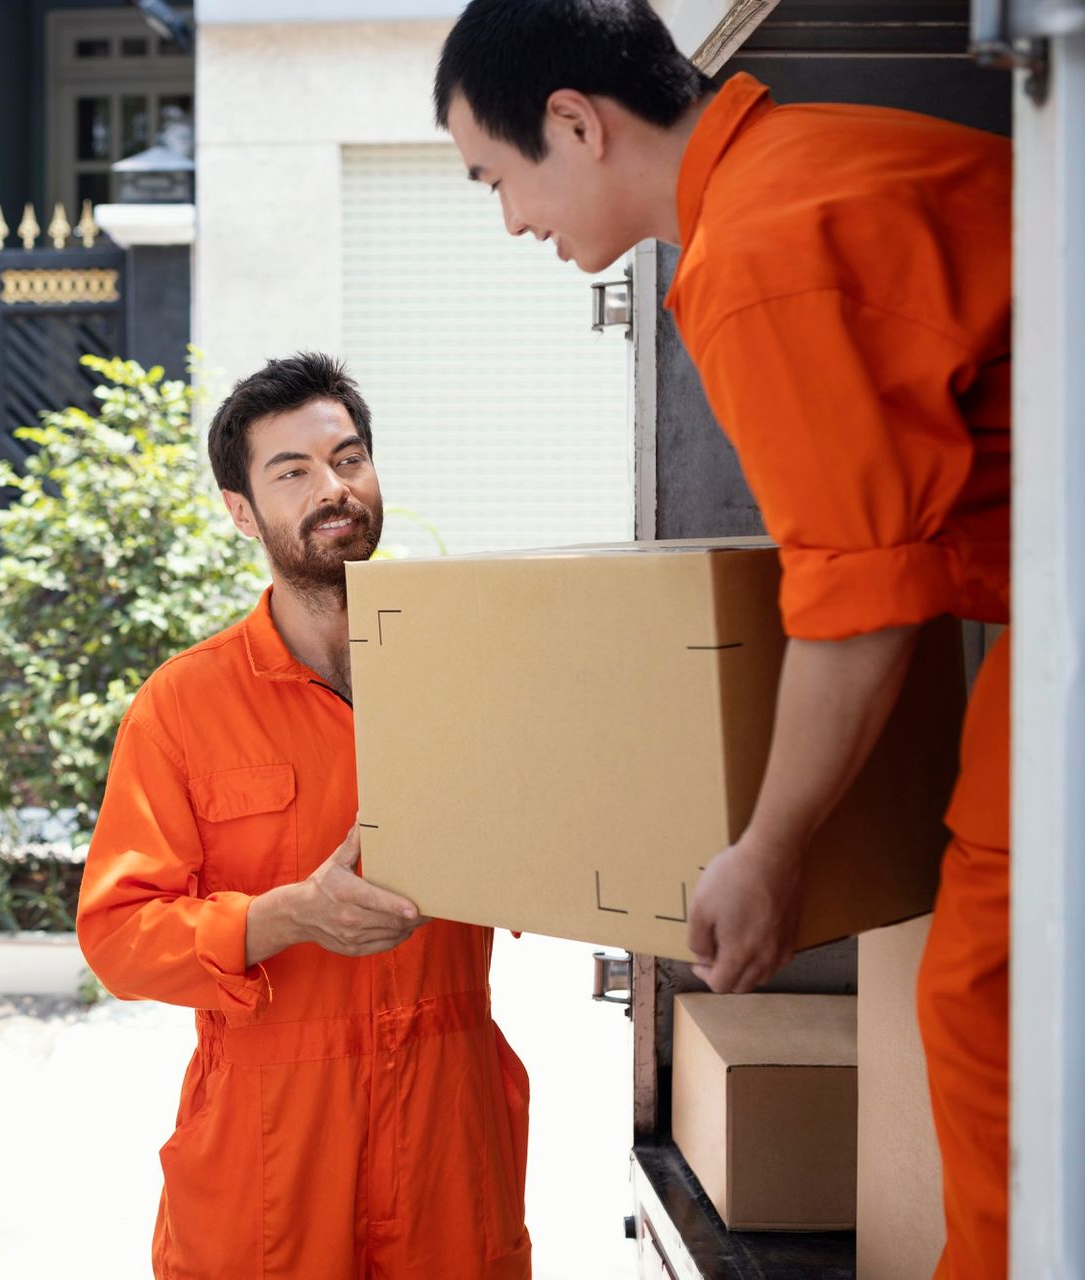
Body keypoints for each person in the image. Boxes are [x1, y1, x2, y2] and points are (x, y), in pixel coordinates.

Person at [433, 4, 1012, 1273]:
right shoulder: (814, 155)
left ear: (577, 125)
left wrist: (769, 848)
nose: (514, 221)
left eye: (497, 178)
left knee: (988, 1006)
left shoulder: (754, 253)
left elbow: (862, 605)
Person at [77, 353, 532, 1278]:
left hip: (450, 1129)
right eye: (294, 471)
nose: (334, 488)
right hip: (269, 1160)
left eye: (349, 458)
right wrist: (280, 917)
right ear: (242, 512)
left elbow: (559, 845)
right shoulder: (183, 707)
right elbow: (117, 937)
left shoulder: (470, 670)